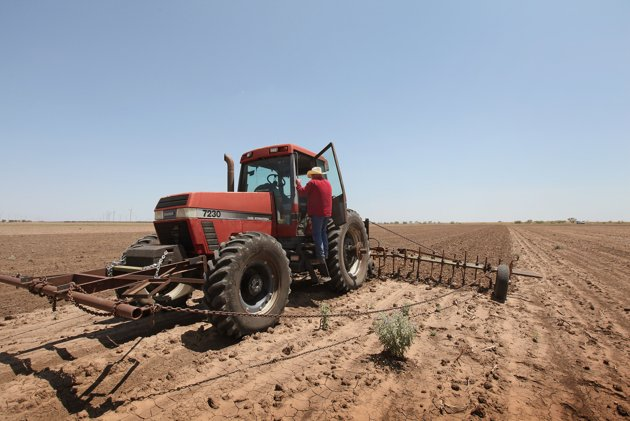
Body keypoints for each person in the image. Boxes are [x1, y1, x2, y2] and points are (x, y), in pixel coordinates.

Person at [296, 166, 333, 276]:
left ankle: (320, 257)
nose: (310, 176)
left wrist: (298, 183)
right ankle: (325, 254)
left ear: (314, 175)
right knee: (323, 233)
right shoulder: (327, 183)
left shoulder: (313, 183)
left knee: (316, 234)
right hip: (327, 213)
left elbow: (302, 192)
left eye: (311, 175)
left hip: (317, 213)